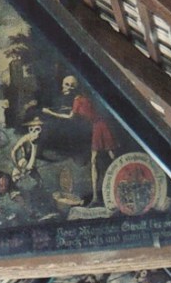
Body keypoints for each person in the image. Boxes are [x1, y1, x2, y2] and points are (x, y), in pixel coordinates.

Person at [42, 74, 116, 205]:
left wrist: (50, 113)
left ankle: (99, 194)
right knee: (106, 156)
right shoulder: (82, 99)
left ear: (75, 88)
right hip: (98, 126)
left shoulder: (77, 100)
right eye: (66, 85)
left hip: (98, 127)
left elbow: (70, 117)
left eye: (71, 86)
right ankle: (96, 195)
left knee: (99, 160)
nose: (68, 88)